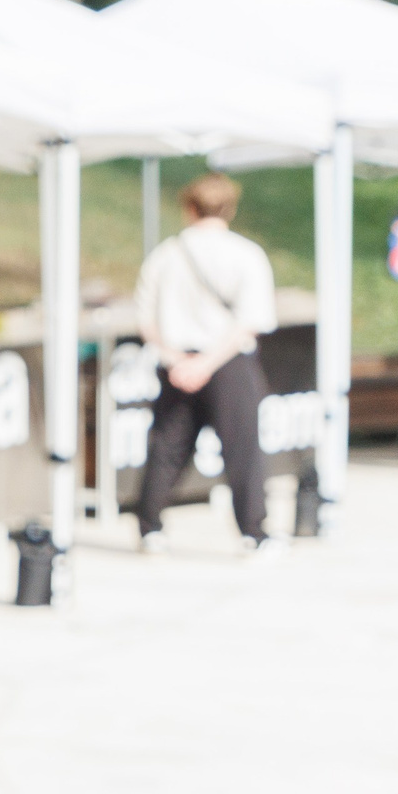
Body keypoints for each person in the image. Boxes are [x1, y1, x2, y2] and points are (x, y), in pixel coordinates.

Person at [133, 172, 279, 551]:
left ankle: (150, 528)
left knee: (167, 448)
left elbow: (145, 317)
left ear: (189, 207)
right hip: (227, 363)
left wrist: (178, 361)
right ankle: (254, 533)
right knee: (242, 451)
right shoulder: (247, 254)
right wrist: (209, 363)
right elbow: (251, 321)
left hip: (177, 363)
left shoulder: (165, 255)